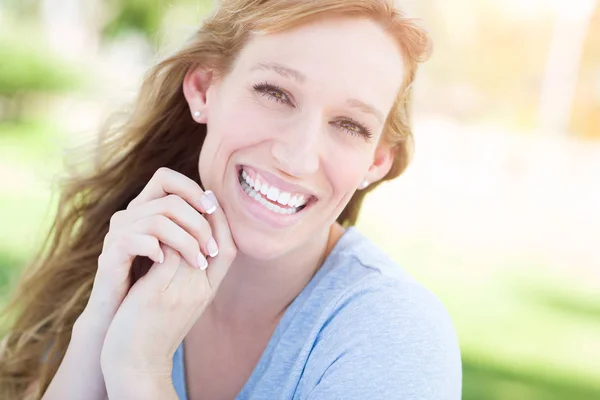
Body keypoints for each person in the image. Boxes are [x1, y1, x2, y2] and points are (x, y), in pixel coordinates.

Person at [0, 0, 462, 399]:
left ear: (376, 161)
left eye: (349, 125)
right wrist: (99, 324)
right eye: (275, 93)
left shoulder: (394, 336)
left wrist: (141, 373)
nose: (297, 158)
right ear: (203, 89)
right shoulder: (130, 258)